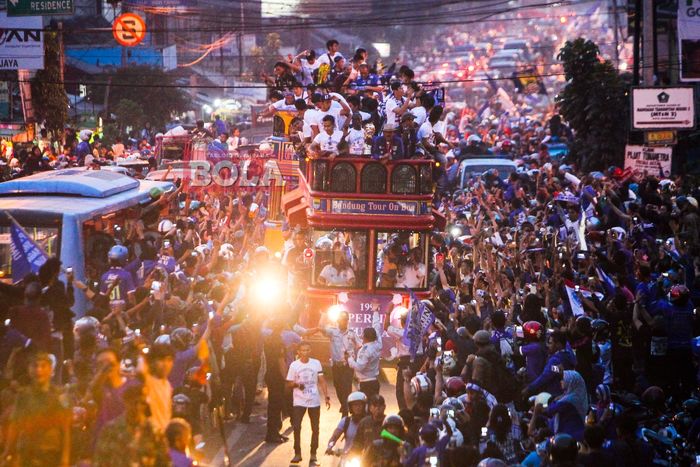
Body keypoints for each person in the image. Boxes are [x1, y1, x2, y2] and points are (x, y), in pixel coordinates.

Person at [2, 351, 72, 467]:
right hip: (26, 454)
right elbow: (15, 426)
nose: (38, 370)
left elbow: (65, 429)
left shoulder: (60, 396)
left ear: (50, 370)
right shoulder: (23, 396)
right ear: (29, 369)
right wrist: (8, 452)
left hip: (49, 455)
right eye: (35, 366)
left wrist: (65, 459)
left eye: (43, 366)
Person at [93, 382, 170, 467]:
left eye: (142, 403)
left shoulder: (154, 432)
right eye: (134, 403)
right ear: (126, 402)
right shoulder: (110, 430)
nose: (137, 407)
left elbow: (165, 462)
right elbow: (100, 460)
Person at [286, 340, 331, 465]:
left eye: (307, 350)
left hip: (314, 401)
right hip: (299, 401)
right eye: (303, 350)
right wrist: (296, 384)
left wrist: (326, 396)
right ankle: (297, 453)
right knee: (296, 427)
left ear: (310, 351)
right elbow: (289, 383)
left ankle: (313, 454)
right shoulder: (294, 365)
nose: (305, 352)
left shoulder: (316, 363)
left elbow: (322, 380)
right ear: (299, 352)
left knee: (315, 428)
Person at [320, 309, 360, 417]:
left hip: (347, 365)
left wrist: (357, 357)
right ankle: (344, 404)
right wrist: (323, 317)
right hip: (336, 365)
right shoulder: (332, 331)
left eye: (346, 320)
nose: (344, 322)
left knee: (346, 387)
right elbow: (322, 329)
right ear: (338, 320)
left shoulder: (352, 333)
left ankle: (346, 412)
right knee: (337, 386)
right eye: (342, 320)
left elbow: (360, 345)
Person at [348, 307, 383, 397]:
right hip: (374, 381)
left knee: (367, 408)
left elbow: (359, 367)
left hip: (366, 384)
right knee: (373, 407)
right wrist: (375, 312)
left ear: (365, 337)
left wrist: (349, 359)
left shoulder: (365, 351)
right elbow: (377, 327)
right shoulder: (378, 344)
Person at [325, 391, 368, 456]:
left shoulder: (369, 422)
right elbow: (335, 436)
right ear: (350, 407)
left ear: (364, 406)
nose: (357, 407)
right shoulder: (346, 421)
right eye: (355, 405)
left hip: (365, 457)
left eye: (360, 404)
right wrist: (330, 446)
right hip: (347, 456)